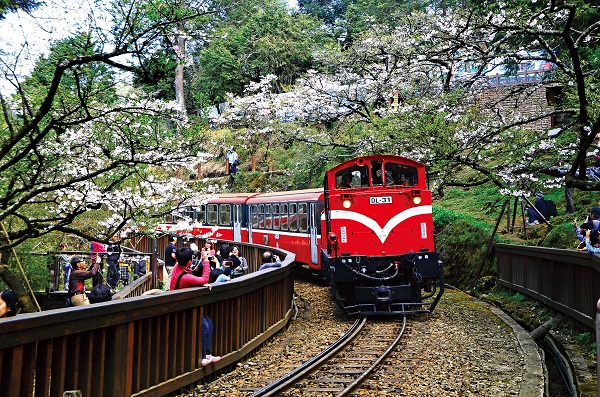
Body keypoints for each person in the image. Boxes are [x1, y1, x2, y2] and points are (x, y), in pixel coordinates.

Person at [169, 247, 220, 366]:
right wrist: (206, 261)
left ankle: (207, 354)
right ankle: (202, 357)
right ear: (189, 262)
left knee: (209, 324)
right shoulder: (185, 277)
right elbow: (204, 278)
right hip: (182, 308)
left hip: (185, 304)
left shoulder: (178, 266)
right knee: (204, 327)